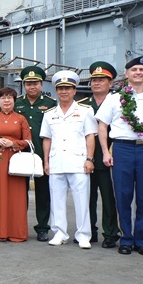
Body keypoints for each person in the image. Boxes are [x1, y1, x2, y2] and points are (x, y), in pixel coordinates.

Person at [95, 56, 143, 256]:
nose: (138, 72)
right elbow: (102, 125)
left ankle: (141, 240)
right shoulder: (114, 98)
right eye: (134, 69)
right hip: (122, 148)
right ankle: (126, 238)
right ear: (127, 74)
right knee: (123, 195)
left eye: (142, 69)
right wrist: (106, 151)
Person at [40, 71, 96, 249]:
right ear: (56, 91)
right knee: (56, 200)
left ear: (74, 91)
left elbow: (90, 137)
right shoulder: (49, 114)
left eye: (68, 88)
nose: (64, 91)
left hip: (78, 162)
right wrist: (46, 162)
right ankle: (60, 233)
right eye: (60, 88)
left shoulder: (86, 111)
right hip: (57, 162)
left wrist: (90, 159)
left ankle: (83, 235)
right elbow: (47, 139)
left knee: (82, 200)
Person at [78, 61, 120, 248]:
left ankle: (111, 233)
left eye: (102, 79)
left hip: (109, 156)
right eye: (94, 80)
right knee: (87, 196)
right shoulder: (82, 105)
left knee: (108, 197)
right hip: (86, 157)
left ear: (110, 83)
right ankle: (89, 232)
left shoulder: (119, 102)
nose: (96, 83)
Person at [14, 66, 56, 242]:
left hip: (42, 154)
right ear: (24, 85)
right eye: (28, 83)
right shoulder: (17, 103)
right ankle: (18, 225)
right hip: (20, 154)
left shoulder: (51, 104)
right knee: (18, 191)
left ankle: (42, 227)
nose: (32, 87)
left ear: (41, 84)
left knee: (43, 192)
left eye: (35, 83)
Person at [0, 86, 31, 242]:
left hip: (15, 161)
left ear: (14, 101)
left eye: (9, 98)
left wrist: (12, 143)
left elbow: (28, 141)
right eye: (3, 98)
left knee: (15, 197)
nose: (6, 100)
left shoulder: (21, 119)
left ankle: (16, 231)